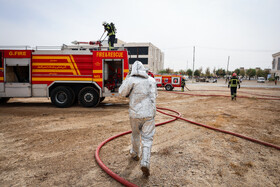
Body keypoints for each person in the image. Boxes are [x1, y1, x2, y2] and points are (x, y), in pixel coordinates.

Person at [119, 61, 157, 177]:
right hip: (149, 114)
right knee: (147, 138)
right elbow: (155, 95)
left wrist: (127, 78)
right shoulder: (151, 80)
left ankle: (135, 154)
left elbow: (121, 92)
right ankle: (145, 162)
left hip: (135, 114)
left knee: (135, 134)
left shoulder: (131, 80)